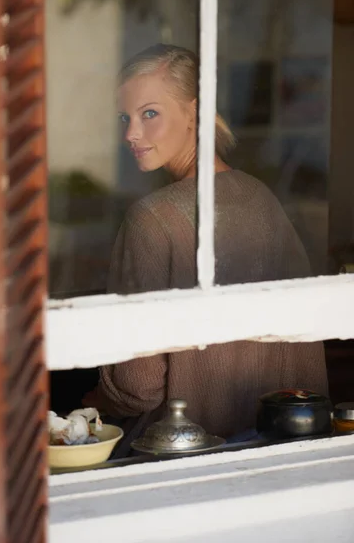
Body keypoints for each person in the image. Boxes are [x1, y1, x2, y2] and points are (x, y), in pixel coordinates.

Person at [82, 44, 328, 451]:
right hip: (275, 447)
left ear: (194, 113)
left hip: (181, 455)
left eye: (149, 114)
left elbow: (137, 386)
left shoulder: (151, 218)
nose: (131, 133)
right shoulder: (263, 198)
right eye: (125, 117)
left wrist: (97, 400)